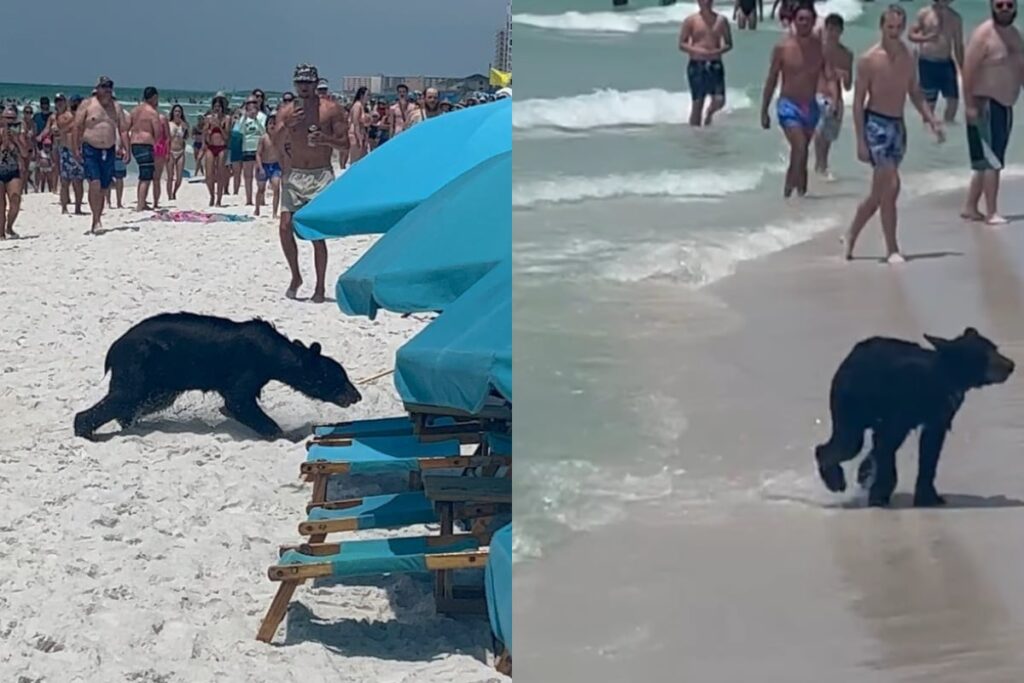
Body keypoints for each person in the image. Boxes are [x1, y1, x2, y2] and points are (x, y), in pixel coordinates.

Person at [844, 5, 945, 263]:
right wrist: (860, 142)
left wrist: (931, 118)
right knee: (892, 185)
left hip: (897, 126)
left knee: (880, 194)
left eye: (899, 28)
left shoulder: (909, 56)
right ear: (881, 27)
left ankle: (852, 233)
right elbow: (857, 103)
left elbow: (914, 92)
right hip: (875, 125)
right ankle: (892, 249)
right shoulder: (869, 59)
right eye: (890, 28)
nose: (895, 32)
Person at [271, 64, 349, 303]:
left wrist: (325, 139)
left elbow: (345, 143)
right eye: (300, 83)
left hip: (320, 175)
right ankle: (296, 276)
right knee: (285, 227)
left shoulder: (331, 109)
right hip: (295, 174)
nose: (304, 87)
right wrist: (287, 125)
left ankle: (319, 287)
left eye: (308, 83)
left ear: (316, 84)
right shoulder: (287, 111)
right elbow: (274, 142)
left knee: (316, 232)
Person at [961, 0, 1023, 224]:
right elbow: (968, 71)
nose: (1005, 9)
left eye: (1009, 4)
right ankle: (992, 212)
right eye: (1000, 5)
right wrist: (969, 105)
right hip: (985, 103)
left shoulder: (1015, 35)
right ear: (991, 6)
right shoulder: (983, 35)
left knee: (987, 161)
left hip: (1005, 105)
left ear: (1016, 7)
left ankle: (970, 207)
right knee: (993, 161)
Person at [761, 1, 827, 197]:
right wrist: (764, 110)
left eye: (808, 20)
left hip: (810, 106)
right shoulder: (782, 47)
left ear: (814, 21)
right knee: (799, 148)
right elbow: (772, 79)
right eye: (800, 19)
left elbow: (829, 74)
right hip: (788, 105)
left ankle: (798, 199)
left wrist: (837, 97)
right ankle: (789, 194)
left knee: (801, 154)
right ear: (794, 21)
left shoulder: (820, 47)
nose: (804, 23)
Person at [72, 76, 131, 232]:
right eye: (104, 86)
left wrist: (127, 149)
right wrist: (75, 149)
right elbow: (77, 127)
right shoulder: (87, 104)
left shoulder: (116, 107)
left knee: (104, 187)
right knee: (95, 183)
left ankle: (98, 216)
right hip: (91, 149)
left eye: (109, 87)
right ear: (97, 88)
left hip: (109, 150)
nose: (107, 90)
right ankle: (96, 220)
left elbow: (123, 129)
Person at [908, 0, 965, 123]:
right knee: (929, 105)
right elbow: (911, 35)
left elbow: (958, 47)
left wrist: (963, 69)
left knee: (953, 102)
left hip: (946, 63)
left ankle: (949, 130)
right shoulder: (924, 13)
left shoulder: (955, 18)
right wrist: (926, 38)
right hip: (927, 63)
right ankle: (929, 133)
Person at [680, 0, 734, 127]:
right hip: (697, 64)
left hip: (715, 63)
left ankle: (709, 113)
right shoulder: (691, 20)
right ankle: (695, 136)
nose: (706, 2)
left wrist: (718, 51)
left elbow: (729, 43)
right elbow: (682, 44)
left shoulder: (721, 20)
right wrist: (697, 50)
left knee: (719, 100)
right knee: (698, 103)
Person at [813, 14, 853, 180]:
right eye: (830, 30)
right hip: (818, 95)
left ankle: (821, 166)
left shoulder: (846, 54)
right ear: (825, 29)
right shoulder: (817, 50)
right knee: (819, 132)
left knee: (828, 138)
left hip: (837, 100)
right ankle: (819, 164)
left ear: (841, 31)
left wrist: (844, 75)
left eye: (836, 30)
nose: (833, 34)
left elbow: (848, 86)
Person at [127, 86, 162, 211]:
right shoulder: (152, 112)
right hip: (145, 144)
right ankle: (140, 204)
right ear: (154, 97)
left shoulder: (134, 110)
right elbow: (158, 132)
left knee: (143, 174)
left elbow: (125, 128)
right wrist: (155, 143)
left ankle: (142, 202)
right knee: (146, 176)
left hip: (134, 144)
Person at [0, 106, 29, 238]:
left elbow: (24, 153)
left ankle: (9, 226)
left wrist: (16, 140)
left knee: (15, 198)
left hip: (13, 169)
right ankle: (1, 231)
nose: (9, 121)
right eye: (7, 118)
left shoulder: (19, 133)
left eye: (12, 118)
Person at [56, 94, 86, 215]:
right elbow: (61, 129)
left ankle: (78, 208)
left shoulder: (84, 118)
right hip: (66, 151)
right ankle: (64, 207)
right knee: (65, 181)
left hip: (78, 150)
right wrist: (76, 118)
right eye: (75, 104)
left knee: (78, 181)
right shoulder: (64, 116)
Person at [203, 95, 231, 206]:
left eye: (219, 106)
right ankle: (212, 195)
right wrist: (208, 130)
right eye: (215, 106)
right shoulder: (208, 118)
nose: (217, 108)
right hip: (211, 147)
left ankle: (219, 198)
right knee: (209, 175)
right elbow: (205, 136)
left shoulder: (227, 119)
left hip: (222, 147)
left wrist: (219, 126)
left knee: (220, 174)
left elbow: (226, 136)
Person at [239, 96, 266, 206]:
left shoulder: (262, 116)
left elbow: (264, 131)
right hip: (247, 148)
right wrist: (245, 117)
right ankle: (249, 199)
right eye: (249, 102)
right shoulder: (244, 117)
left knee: (259, 175)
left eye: (254, 102)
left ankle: (261, 198)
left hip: (259, 148)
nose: (252, 104)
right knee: (247, 175)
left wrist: (255, 119)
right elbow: (240, 131)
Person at [255, 114, 282, 218]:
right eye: (270, 123)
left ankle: (274, 212)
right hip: (264, 165)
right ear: (266, 125)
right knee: (261, 189)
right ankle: (257, 208)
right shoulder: (263, 138)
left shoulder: (279, 138)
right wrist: (260, 167)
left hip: (275, 166)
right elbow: (258, 154)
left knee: (276, 187)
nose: (272, 126)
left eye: (274, 124)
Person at [167, 104, 189, 200]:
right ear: (173, 112)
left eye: (179, 111)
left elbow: (187, 137)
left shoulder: (183, 124)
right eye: (176, 111)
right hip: (170, 151)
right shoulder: (169, 124)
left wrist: (185, 128)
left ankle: (174, 191)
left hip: (180, 152)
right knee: (170, 176)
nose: (177, 113)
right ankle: (170, 196)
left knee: (179, 178)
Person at [348, 87, 370, 164]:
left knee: (363, 159)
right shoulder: (357, 105)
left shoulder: (362, 106)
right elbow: (355, 122)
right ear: (362, 95)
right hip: (355, 134)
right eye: (367, 95)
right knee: (355, 160)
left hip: (361, 133)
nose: (368, 97)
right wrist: (359, 138)